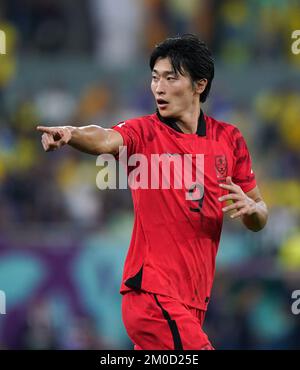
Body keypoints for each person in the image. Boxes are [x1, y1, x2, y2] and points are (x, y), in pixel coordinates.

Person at [37, 34, 268, 350]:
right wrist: (71, 134)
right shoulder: (144, 133)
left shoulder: (229, 139)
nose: (158, 87)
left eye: (170, 78)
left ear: (199, 85)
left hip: (193, 301)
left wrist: (254, 211)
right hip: (152, 295)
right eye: (154, 78)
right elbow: (104, 139)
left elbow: (259, 215)